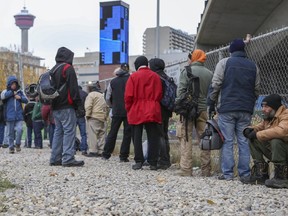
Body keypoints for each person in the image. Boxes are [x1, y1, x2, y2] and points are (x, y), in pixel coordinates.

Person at [209, 39, 260, 180]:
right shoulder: (253, 66)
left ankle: (228, 174)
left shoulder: (224, 63)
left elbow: (216, 84)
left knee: (227, 141)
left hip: (227, 108)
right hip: (245, 109)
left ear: (231, 50)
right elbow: (256, 89)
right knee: (244, 141)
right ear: (244, 50)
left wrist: (211, 102)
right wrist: (250, 102)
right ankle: (245, 173)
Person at [176, 49, 213, 177]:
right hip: (203, 109)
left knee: (186, 137)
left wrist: (178, 106)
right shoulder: (209, 73)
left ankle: (186, 169)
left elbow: (180, 91)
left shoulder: (186, 71)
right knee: (204, 138)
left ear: (193, 58)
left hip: (187, 110)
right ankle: (206, 170)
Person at [240, 94, 288, 188]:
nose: (263, 109)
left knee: (276, 140)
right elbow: (260, 127)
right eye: (262, 106)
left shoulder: (285, 115)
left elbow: (282, 131)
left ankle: (282, 178)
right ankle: (260, 174)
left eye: (266, 106)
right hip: (279, 152)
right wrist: (249, 130)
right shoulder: (270, 117)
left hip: (284, 151)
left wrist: (258, 134)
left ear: (274, 107)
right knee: (254, 139)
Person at [125, 56, 162, 170]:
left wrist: (129, 109)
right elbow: (160, 94)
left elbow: (128, 96)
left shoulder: (133, 77)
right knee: (153, 136)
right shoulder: (155, 76)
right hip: (152, 108)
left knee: (137, 136)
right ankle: (153, 162)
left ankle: (139, 161)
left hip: (137, 108)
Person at [49, 47, 85, 167]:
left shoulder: (53, 69)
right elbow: (73, 89)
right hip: (66, 106)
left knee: (58, 131)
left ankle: (55, 158)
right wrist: (79, 106)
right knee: (69, 131)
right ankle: (68, 158)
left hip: (55, 106)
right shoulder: (67, 68)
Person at [102, 63, 132, 162]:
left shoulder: (113, 81)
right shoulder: (131, 80)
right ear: (128, 69)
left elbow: (107, 97)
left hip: (116, 110)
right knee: (127, 133)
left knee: (113, 132)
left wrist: (112, 105)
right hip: (129, 110)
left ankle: (106, 154)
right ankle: (123, 156)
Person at [148, 58, 172, 169]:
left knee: (159, 135)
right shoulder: (166, 77)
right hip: (167, 109)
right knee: (164, 134)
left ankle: (163, 160)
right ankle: (166, 158)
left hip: (159, 109)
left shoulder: (155, 77)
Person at [1, 76, 28, 153]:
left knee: (20, 130)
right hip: (9, 116)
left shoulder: (20, 92)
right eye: (12, 84)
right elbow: (2, 97)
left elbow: (26, 100)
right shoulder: (5, 91)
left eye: (15, 84)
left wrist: (19, 97)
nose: (14, 85)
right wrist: (12, 93)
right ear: (9, 84)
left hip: (19, 116)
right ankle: (11, 147)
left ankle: (18, 144)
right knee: (10, 133)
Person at [85, 85, 108, 157]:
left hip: (93, 116)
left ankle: (93, 151)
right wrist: (105, 116)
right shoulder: (102, 95)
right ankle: (101, 151)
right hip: (102, 117)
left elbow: (88, 106)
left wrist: (87, 115)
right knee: (102, 135)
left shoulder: (91, 95)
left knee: (93, 135)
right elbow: (107, 107)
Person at [77, 86, 88, 155]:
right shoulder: (85, 94)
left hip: (74, 114)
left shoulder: (73, 93)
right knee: (83, 133)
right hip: (81, 115)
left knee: (71, 132)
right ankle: (84, 149)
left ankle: (72, 148)